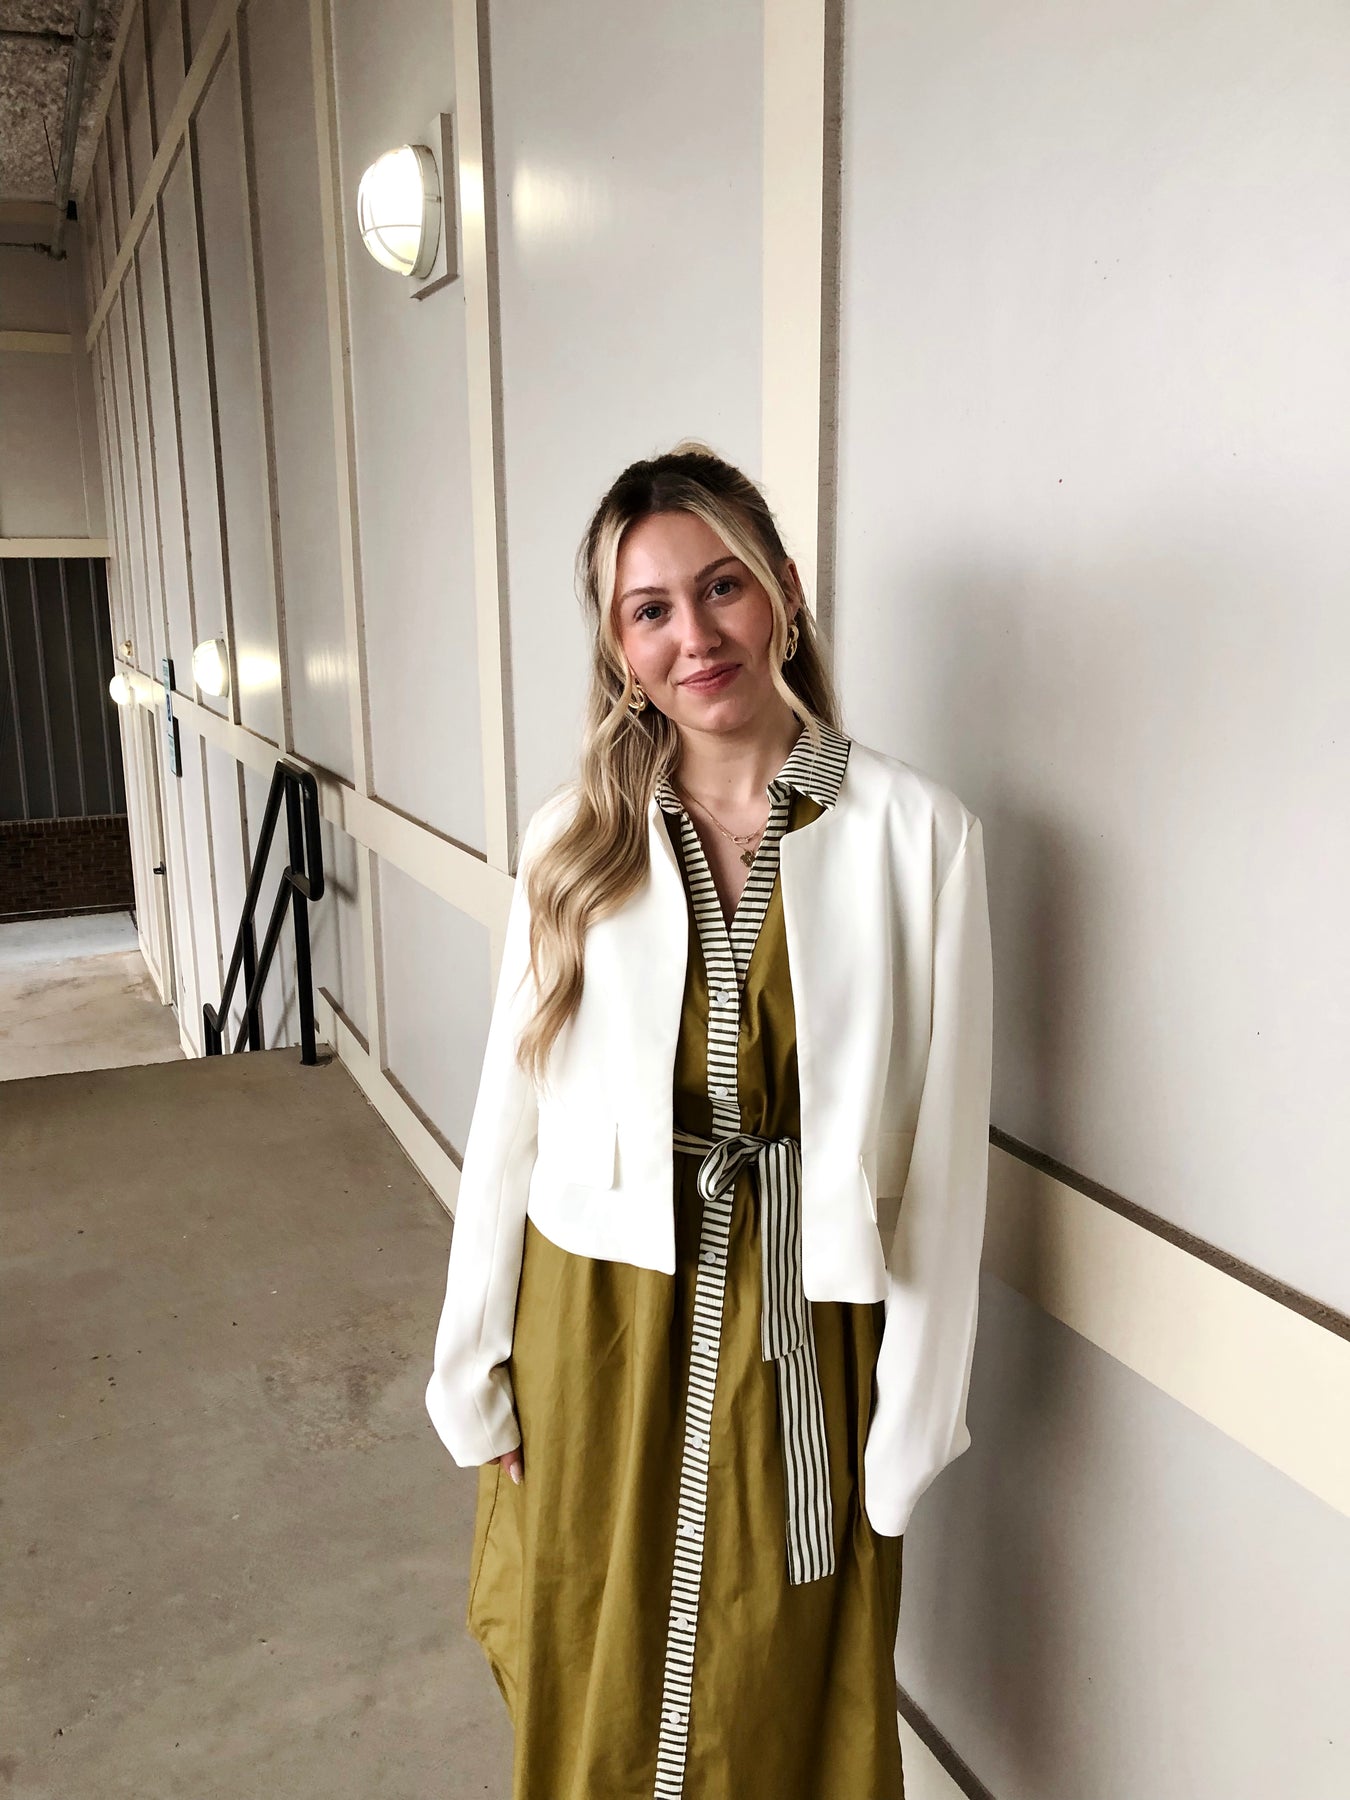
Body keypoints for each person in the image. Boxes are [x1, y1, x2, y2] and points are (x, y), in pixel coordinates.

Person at [425, 441, 994, 1799]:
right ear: (621, 649)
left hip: (806, 1323)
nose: (696, 635)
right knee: (594, 1660)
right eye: (652, 610)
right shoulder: (575, 839)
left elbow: (945, 1159)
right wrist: (472, 1366)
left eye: (722, 586)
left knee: (770, 1689)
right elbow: (509, 1119)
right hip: (598, 1316)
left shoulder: (918, 834)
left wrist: (913, 1422)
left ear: (784, 590)